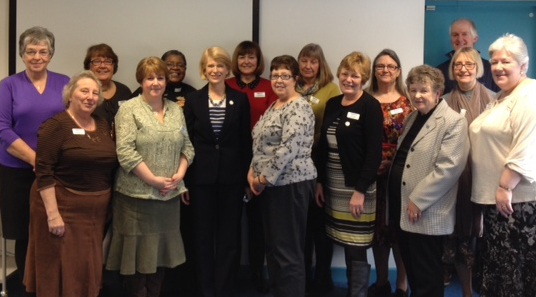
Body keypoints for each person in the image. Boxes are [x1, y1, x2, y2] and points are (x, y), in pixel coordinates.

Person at [22, 70, 117, 297]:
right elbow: (43, 172)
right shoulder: (55, 126)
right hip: (62, 208)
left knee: (85, 266)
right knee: (58, 267)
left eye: (95, 93)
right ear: (70, 95)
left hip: (94, 213)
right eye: (84, 90)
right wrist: (53, 215)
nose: (90, 97)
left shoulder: (103, 125)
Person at [105, 56, 195, 297]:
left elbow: (187, 147)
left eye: (160, 77)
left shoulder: (176, 109)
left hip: (168, 198)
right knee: (136, 262)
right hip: (135, 198)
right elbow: (125, 152)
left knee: (159, 258)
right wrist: (154, 180)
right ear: (141, 81)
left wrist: (179, 175)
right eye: (150, 78)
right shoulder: (129, 109)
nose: (156, 82)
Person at [388, 65, 469, 297]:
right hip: (403, 206)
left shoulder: (452, 121)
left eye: (423, 90)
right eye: (413, 90)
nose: (417, 95)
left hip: (424, 209)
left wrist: (418, 200)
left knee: (427, 275)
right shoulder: (414, 116)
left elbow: (449, 168)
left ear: (437, 93)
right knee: (414, 271)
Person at [0, 26, 69, 286]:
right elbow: (2, 129)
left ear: (51, 54)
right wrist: (36, 160)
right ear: (22, 54)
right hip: (17, 171)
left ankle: (51, 284)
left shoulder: (64, 83)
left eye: (43, 51)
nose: (37, 56)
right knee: (24, 232)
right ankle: (26, 287)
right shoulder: (8, 86)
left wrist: (48, 163)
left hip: (57, 171)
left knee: (54, 229)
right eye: (30, 51)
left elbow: (72, 122)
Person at [469, 33, 536, 297]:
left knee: (513, 280)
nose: (497, 67)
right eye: (494, 61)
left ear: (523, 65)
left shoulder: (529, 95)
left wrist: (505, 186)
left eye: (505, 61)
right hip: (496, 203)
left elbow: (527, 145)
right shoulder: (501, 97)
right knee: (498, 278)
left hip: (516, 204)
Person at [183, 46, 252, 297]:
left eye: (220, 65)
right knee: (201, 238)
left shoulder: (240, 99)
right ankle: (205, 289)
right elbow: (187, 143)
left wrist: (246, 179)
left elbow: (246, 141)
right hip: (200, 179)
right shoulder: (193, 100)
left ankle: (225, 288)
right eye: (210, 65)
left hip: (232, 179)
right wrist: (186, 183)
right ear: (204, 69)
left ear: (227, 69)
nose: (215, 70)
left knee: (229, 239)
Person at [315, 51, 383, 297]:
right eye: (345, 74)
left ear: (363, 78)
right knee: (343, 241)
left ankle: (358, 293)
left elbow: (374, 154)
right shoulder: (333, 103)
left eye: (355, 75)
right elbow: (324, 146)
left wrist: (360, 191)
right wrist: (321, 182)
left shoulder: (370, 106)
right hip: (333, 184)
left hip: (357, 187)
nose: (348, 79)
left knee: (356, 244)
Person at [248, 55, 316, 297]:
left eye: (285, 75)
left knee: (287, 251)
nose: (279, 79)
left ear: (295, 79)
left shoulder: (299, 106)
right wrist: (252, 173)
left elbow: (288, 148)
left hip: (290, 185)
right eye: (275, 75)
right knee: (274, 248)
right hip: (271, 186)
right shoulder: (275, 105)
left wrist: (262, 179)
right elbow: (260, 143)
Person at [442, 47, 495, 297]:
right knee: (460, 238)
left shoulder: (495, 100)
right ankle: (465, 291)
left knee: (485, 237)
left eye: (469, 64)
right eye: (458, 64)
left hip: (488, 179)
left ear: (478, 68)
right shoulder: (443, 103)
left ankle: (485, 286)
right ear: (452, 70)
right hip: (455, 182)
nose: (463, 68)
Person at [225, 40, 277, 292]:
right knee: (230, 223)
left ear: (258, 61)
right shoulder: (225, 85)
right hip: (232, 162)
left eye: (252, 57)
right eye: (242, 57)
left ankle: (257, 273)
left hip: (261, 163)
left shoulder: (269, 87)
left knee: (258, 224)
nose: (247, 62)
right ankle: (230, 275)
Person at [366, 49, 412, 297]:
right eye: (380, 66)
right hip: (371, 176)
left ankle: (402, 286)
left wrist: (392, 162)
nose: (385, 70)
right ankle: (381, 281)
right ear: (374, 70)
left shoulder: (408, 102)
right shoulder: (364, 100)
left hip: (399, 175)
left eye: (390, 66)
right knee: (377, 232)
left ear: (398, 71)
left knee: (398, 231)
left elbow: (414, 141)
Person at [296, 43, 341, 294]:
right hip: (292, 163)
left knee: (319, 224)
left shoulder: (331, 90)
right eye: (303, 60)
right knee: (300, 226)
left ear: (320, 64)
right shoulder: (292, 87)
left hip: (319, 158)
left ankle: (322, 278)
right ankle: (301, 277)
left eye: (313, 61)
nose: (308, 66)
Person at [436, 18, 499, 94]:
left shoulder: (490, 69)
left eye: (464, 34)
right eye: (455, 35)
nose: (459, 39)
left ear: (475, 38)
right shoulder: (439, 72)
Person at [83, 43, 132, 128]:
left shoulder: (124, 91)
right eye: (97, 61)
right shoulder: (83, 93)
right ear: (89, 66)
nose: (102, 66)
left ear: (114, 66)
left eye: (108, 61)